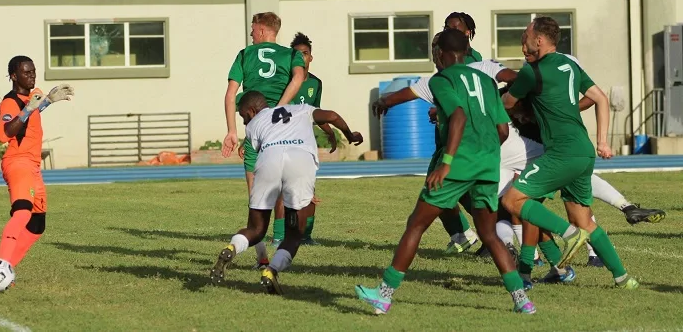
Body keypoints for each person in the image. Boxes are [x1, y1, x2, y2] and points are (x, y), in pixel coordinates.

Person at [357, 29, 535, 315]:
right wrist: (485, 155)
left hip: (458, 164)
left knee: (416, 224)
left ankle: (384, 294)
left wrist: (448, 162)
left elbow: (459, 116)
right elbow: (502, 129)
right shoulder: (486, 80)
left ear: (441, 53)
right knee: (489, 234)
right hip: (487, 165)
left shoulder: (442, 80)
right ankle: (522, 300)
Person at [500, 17, 638, 289]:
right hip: (584, 152)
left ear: (539, 40)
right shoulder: (571, 64)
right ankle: (624, 279)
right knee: (585, 220)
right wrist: (603, 142)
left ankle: (567, 236)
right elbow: (600, 98)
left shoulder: (532, 71)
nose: (523, 38)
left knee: (513, 201)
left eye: (526, 34)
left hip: (560, 153)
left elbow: (507, 102)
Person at [210, 91, 363, 294]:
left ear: (252, 111)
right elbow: (332, 116)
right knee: (294, 234)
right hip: (300, 161)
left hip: (269, 160)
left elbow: (265, 150)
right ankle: (271, 271)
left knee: (256, 230)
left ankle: (231, 248)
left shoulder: (254, 124)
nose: (244, 121)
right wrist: (349, 134)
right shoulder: (302, 109)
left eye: (243, 116)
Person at [222, 12, 307, 267]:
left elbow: (230, 94)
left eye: (252, 29)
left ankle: (261, 258)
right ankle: (283, 246)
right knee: (288, 191)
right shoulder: (291, 54)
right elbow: (299, 77)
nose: (250, 34)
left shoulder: (244, 54)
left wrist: (231, 131)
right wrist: (279, 107)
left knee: (255, 201)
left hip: (255, 128)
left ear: (260, 30)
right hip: (282, 130)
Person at [0, 55, 74, 281]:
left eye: (33, 71)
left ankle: (6, 267)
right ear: (14, 76)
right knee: (22, 213)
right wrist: (28, 108)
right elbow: (4, 133)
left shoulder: (31, 98)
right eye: (26, 73)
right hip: (18, 163)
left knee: (37, 225)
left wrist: (48, 101)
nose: (32, 76)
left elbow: (30, 115)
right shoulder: (10, 102)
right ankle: (1, 267)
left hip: (33, 166)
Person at [263, 32, 333, 247]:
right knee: (284, 189)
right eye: (297, 54)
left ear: (311, 57)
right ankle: (278, 235)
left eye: (305, 54)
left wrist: (330, 132)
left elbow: (315, 112)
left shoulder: (316, 83)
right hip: (284, 140)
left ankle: (306, 235)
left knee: (309, 191)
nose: (302, 57)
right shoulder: (286, 81)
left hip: (304, 143)